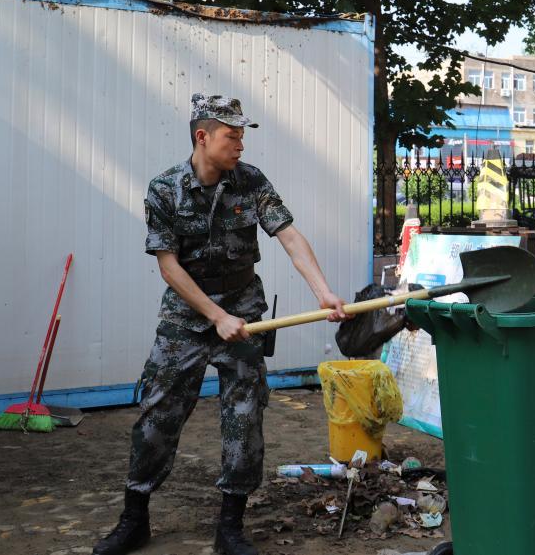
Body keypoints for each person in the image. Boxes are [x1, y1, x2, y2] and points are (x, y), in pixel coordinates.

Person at [94, 94, 349, 555]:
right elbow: (169, 266)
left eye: (242, 137)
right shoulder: (164, 188)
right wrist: (215, 317)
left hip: (244, 312)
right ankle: (134, 518)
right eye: (232, 136)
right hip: (187, 315)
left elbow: (289, 237)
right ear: (202, 136)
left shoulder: (250, 182)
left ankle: (230, 527)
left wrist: (323, 292)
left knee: (245, 417)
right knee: (158, 414)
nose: (240, 146)